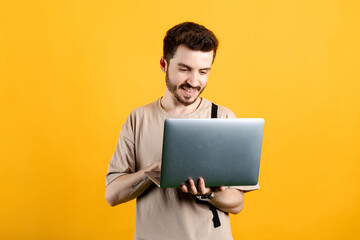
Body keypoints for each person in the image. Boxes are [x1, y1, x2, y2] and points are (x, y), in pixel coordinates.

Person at [105, 22, 258, 240]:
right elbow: (112, 195)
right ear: (164, 64)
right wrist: (151, 173)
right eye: (184, 69)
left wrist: (209, 194)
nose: (194, 81)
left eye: (203, 71)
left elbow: (237, 203)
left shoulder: (223, 118)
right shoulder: (138, 118)